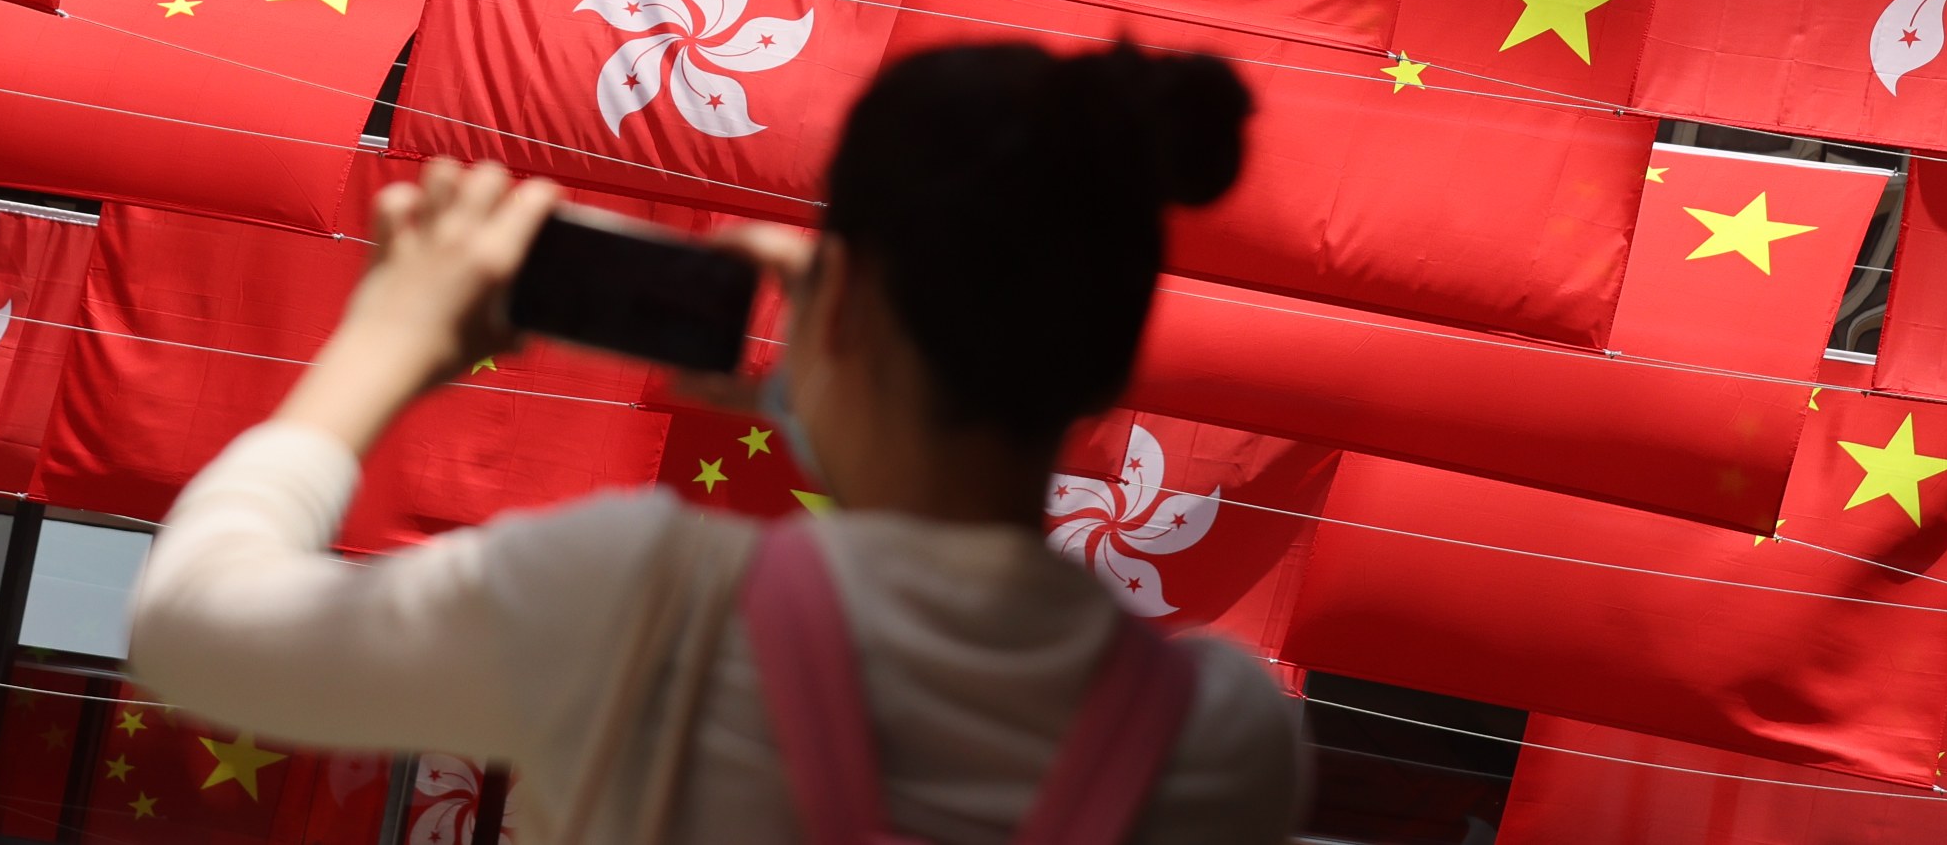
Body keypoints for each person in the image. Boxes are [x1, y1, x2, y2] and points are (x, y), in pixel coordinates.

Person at [125, 41, 1306, 845]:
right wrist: (829, 371)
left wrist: (386, 336)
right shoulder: (1222, 737)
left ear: (838, 302)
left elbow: (191, 630)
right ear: (1104, 372)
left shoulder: (644, 604)